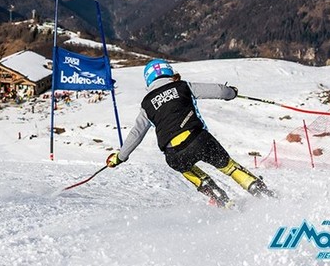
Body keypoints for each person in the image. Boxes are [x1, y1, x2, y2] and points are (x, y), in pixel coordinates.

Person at [106, 59, 274, 207]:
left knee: (191, 172)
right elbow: (221, 92)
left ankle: (222, 201)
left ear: (148, 80)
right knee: (229, 167)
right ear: (169, 72)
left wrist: (119, 157)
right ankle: (265, 194)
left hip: (174, 155)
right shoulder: (182, 86)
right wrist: (232, 92)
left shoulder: (147, 105)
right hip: (198, 139)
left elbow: (136, 134)